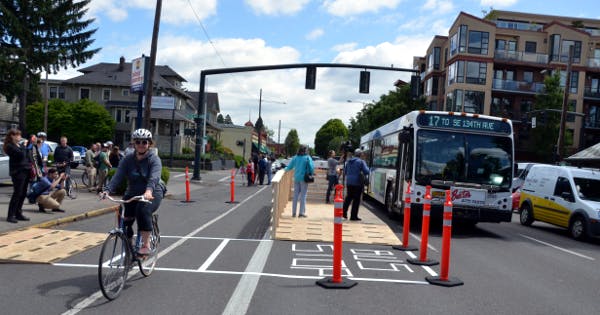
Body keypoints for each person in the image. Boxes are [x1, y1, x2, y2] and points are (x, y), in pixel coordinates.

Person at [101, 128, 164, 255]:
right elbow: (118, 176)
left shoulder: (154, 159)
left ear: (149, 144)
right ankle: (128, 248)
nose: (141, 144)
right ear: (134, 143)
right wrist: (107, 190)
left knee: (142, 210)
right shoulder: (127, 159)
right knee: (125, 216)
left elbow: (154, 177)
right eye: (138, 142)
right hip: (133, 192)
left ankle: (145, 245)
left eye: (144, 142)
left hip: (153, 192)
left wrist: (149, 191)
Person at [4, 129, 31, 223]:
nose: (19, 137)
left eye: (20, 135)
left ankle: (18, 213)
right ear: (12, 136)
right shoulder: (9, 146)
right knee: (17, 194)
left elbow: (27, 155)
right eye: (18, 135)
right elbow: (20, 155)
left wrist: (27, 146)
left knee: (23, 194)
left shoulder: (19, 145)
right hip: (18, 172)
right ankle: (10, 215)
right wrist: (24, 146)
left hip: (25, 171)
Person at [284, 145, 314, 218]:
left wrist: (285, 169)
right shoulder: (307, 158)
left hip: (296, 178)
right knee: (303, 195)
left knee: (295, 195)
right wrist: (311, 173)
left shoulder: (295, 157)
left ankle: (294, 213)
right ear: (305, 150)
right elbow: (311, 168)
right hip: (304, 178)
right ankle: (301, 213)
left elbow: (289, 167)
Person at [342, 149, 370, 221]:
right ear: (360, 154)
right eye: (362, 154)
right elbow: (367, 171)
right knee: (356, 200)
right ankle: (353, 216)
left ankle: (343, 213)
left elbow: (345, 171)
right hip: (357, 183)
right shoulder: (361, 162)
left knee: (348, 198)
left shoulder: (349, 161)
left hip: (349, 182)